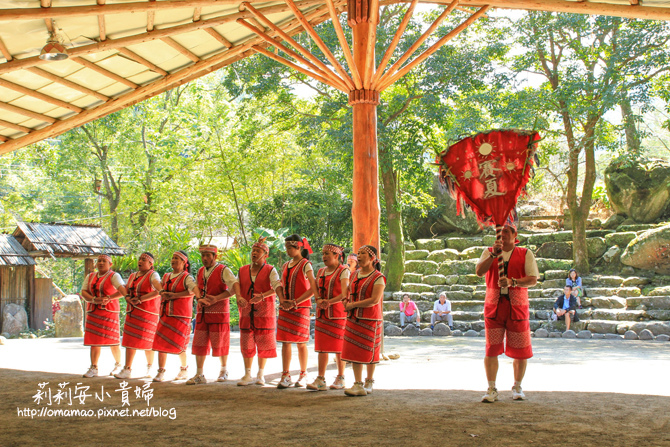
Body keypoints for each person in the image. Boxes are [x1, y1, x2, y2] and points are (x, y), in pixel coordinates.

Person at [475, 222, 538, 403]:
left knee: (521, 350)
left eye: (506, 232)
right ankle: (491, 387)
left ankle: (517, 386)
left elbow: (532, 279)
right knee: (491, 349)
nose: (502, 235)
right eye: (499, 232)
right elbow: (479, 272)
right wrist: (493, 255)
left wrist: (513, 282)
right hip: (494, 306)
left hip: (517, 306)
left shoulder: (525, 253)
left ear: (514, 234)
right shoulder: (489, 251)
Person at [187, 244, 241, 385]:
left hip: (219, 312)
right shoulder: (200, 271)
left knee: (220, 342)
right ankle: (199, 374)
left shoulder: (223, 270)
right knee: (199, 343)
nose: (204, 258)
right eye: (203, 255)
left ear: (215, 256)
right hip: (203, 312)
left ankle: (224, 370)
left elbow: (234, 287)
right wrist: (199, 299)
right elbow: (197, 288)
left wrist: (216, 298)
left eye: (208, 256)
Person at [237, 237, 285, 386]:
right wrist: (238, 296)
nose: (254, 253)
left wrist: (263, 296)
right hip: (246, 311)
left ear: (265, 255)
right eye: (253, 251)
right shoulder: (243, 270)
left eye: (258, 251)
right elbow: (237, 284)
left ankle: (261, 374)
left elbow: (277, 285)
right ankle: (247, 373)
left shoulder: (270, 269)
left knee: (263, 343)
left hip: (264, 311)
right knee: (246, 343)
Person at [341, 245, 386, 397]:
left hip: (370, 319)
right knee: (353, 351)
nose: (359, 256)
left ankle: (369, 381)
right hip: (353, 318)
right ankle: (358, 383)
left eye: (363, 254)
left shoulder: (378, 277)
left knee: (370, 351)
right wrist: (345, 301)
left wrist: (352, 304)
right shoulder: (353, 275)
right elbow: (348, 292)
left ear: (372, 258)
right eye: (358, 253)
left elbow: (374, 300)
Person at [276, 234, 317, 389]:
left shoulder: (306, 264)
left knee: (301, 342)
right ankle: (285, 374)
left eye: (289, 248)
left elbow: (313, 287)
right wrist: (283, 300)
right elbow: (281, 283)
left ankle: (303, 373)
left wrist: (296, 302)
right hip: (286, 307)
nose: (287, 251)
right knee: (285, 341)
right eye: (286, 248)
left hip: (301, 308)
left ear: (299, 247)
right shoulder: (286, 265)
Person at [307, 243, 349, 391]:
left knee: (339, 347)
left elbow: (345, 293)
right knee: (322, 347)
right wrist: (318, 299)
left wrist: (329, 302)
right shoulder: (321, 272)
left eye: (327, 254)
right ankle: (321, 378)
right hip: (322, 314)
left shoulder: (344, 271)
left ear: (337, 256)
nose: (324, 256)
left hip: (338, 314)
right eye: (323, 253)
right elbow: (315, 289)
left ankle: (341, 377)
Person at [152, 250, 199, 382]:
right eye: (172, 257)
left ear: (184, 262)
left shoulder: (187, 277)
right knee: (160, 342)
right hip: (165, 313)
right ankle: (160, 371)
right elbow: (157, 285)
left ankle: (184, 369)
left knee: (180, 344)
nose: (173, 260)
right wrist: (162, 292)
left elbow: (192, 291)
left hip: (180, 315)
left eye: (177, 258)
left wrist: (174, 295)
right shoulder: (166, 276)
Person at [114, 252, 162, 380]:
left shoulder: (153, 275)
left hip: (148, 313)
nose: (140, 261)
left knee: (149, 340)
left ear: (151, 264)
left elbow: (158, 290)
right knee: (130, 340)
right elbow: (126, 290)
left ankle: (150, 367)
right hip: (133, 311)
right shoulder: (132, 276)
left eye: (143, 260)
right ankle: (127, 368)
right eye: (139, 259)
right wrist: (128, 297)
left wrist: (141, 299)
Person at [81, 254, 125, 378]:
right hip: (93, 311)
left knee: (113, 340)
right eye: (99, 261)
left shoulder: (114, 276)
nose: (101, 263)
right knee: (94, 340)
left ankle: (118, 364)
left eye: (104, 261)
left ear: (110, 264)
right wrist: (94, 300)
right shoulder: (90, 276)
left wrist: (109, 298)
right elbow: (83, 292)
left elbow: (123, 291)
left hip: (109, 311)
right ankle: (94, 367)